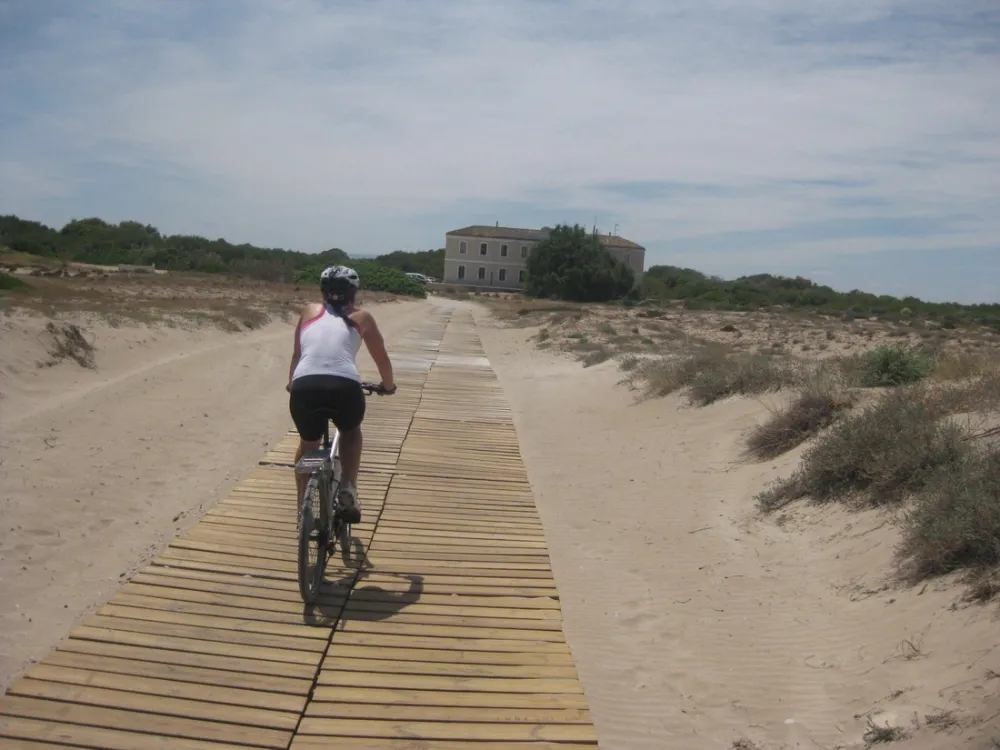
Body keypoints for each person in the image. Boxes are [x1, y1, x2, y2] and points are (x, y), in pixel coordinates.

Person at [286, 265, 396, 523]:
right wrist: (388, 386)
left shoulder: (308, 311)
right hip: (344, 388)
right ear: (353, 292)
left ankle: (304, 505)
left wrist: (292, 384)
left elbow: (297, 355)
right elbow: (382, 359)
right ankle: (348, 485)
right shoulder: (364, 317)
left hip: (305, 388)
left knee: (307, 444)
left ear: (323, 291)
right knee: (350, 430)